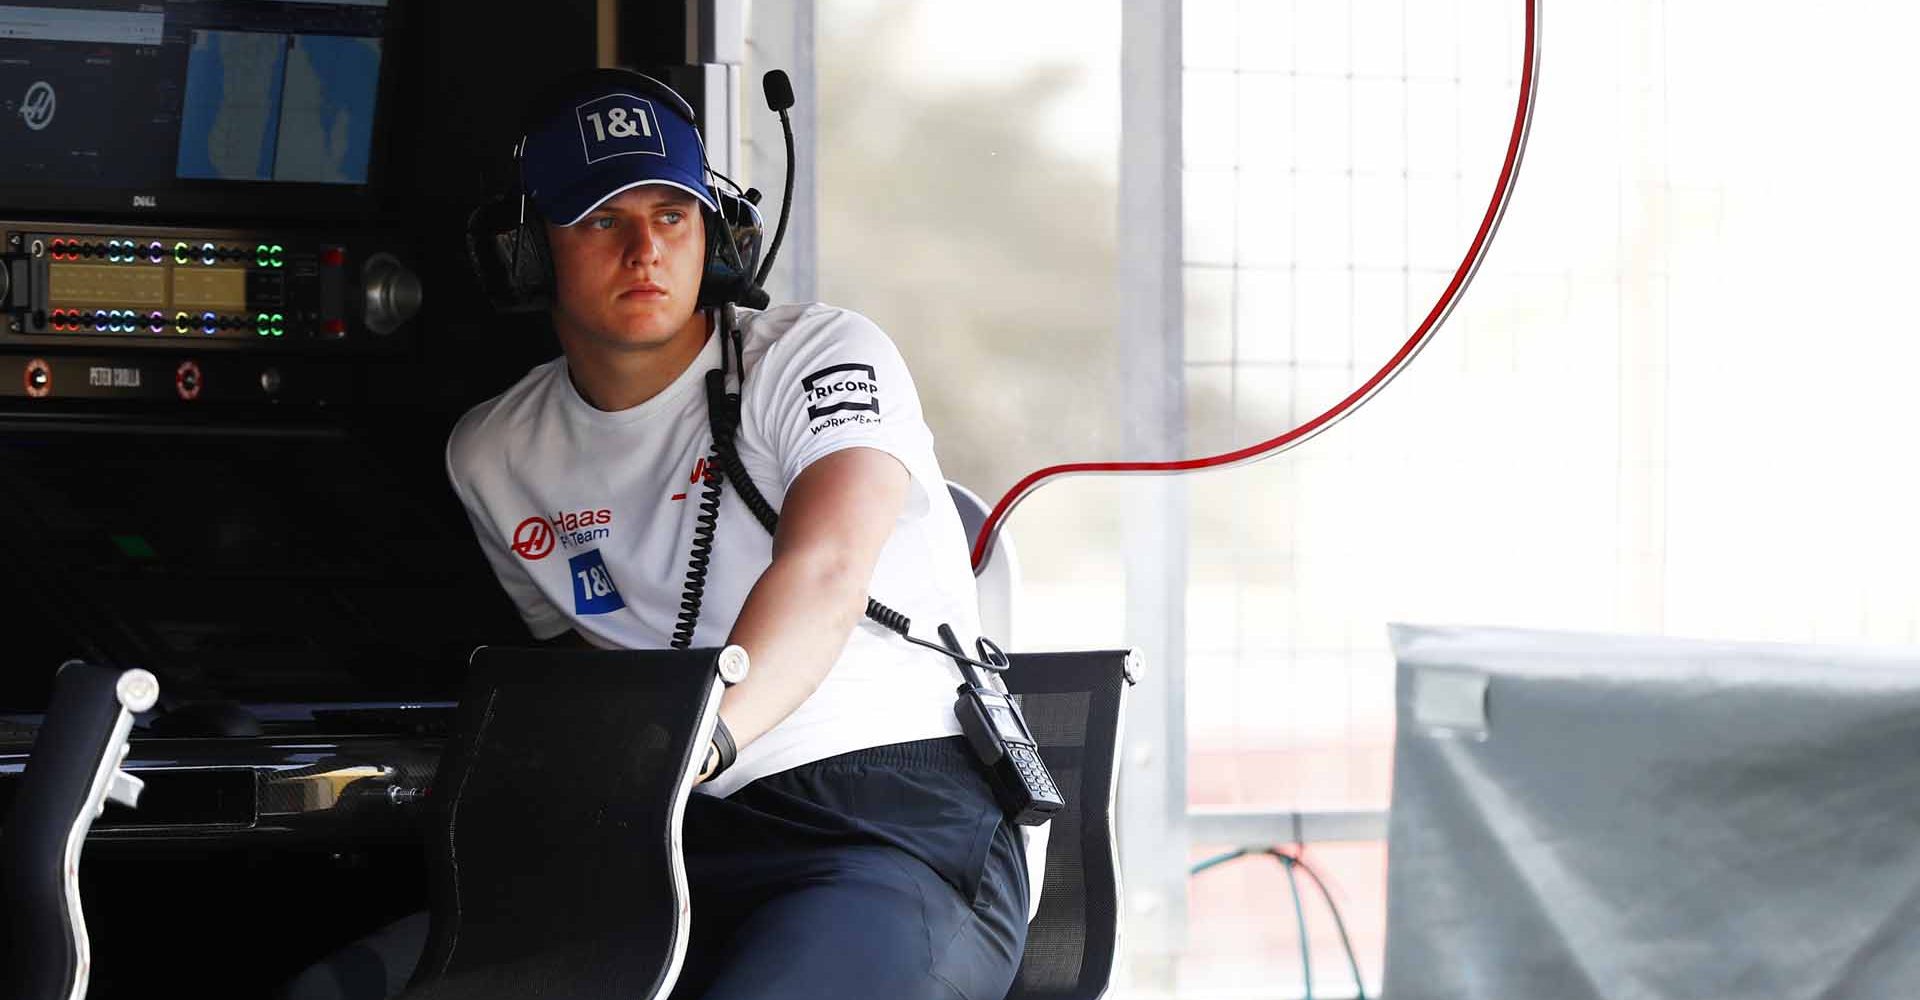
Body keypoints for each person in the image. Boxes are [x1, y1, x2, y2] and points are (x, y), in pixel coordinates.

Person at [435, 68, 1028, 1000]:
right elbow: (585, 668)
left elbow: (829, 567)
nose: (645, 250)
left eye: (672, 214)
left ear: (719, 230)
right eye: (601, 219)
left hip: (892, 828)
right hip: (671, 846)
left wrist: (700, 744)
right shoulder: (493, 452)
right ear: (528, 251)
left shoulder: (822, 354)